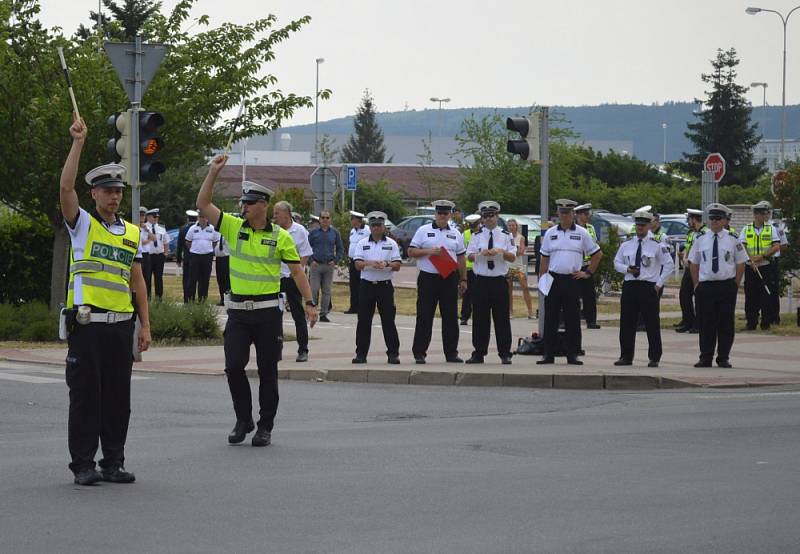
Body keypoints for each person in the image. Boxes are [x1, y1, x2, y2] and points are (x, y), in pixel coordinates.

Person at [197, 156, 317, 447]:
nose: (244, 207)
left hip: (267, 314)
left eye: (249, 203)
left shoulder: (281, 237)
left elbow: (298, 272)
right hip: (238, 313)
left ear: (264, 206)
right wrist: (213, 172)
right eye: (243, 203)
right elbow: (203, 204)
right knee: (234, 366)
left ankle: (265, 426)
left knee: (267, 371)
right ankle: (244, 419)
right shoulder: (232, 228)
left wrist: (310, 302)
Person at [59, 116, 151, 485]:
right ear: (94, 194)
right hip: (86, 325)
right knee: (85, 398)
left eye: (118, 191)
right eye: (107, 191)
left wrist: (145, 324)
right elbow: (66, 187)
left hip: (120, 327)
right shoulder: (81, 223)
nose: (114, 196)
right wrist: (78, 144)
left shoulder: (132, 232)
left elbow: (137, 279)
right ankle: (83, 465)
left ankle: (112, 462)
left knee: (117, 399)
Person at [537, 199, 602, 365]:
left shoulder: (582, 233)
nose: (564, 216)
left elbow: (597, 254)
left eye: (568, 213)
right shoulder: (551, 233)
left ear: (573, 214)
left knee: (572, 318)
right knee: (550, 318)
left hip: (572, 279)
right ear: (558, 214)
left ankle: (572, 354)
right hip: (554, 279)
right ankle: (548, 354)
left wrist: (588, 272)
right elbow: (544, 258)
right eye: (562, 213)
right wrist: (542, 279)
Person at [408, 199, 468, 364]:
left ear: (450, 214)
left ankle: (451, 353)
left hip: (448, 278)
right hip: (428, 277)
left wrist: (463, 278)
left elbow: (461, 257)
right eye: (439, 213)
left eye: (445, 213)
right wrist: (428, 251)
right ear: (435, 214)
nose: (442, 216)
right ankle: (419, 352)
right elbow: (411, 251)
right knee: (424, 315)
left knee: (450, 316)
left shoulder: (455, 233)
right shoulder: (423, 230)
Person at [613, 210, 674, 367]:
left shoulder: (657, 245)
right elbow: (616, 262)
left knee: (651, 323)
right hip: (630, 285)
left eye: (643, 225)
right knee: (627, 322)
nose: (640, 228)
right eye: (638, 225)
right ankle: (626, 356)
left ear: (649, 226)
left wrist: (659, 284)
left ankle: (654, 357)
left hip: (648, 287)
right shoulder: (627, 244)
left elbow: (669, 265)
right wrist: (627, 269)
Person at [690, 203, 747, 368]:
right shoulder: (700, 239)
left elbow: (741, 262)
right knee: (706, 323)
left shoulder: (732, 239)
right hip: (706, 286)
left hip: (726, 286)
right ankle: (705, 357)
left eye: (718, 219)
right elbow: (693, 262)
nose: (714, 221)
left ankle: (723, 357)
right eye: (712, 218)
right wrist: (696, 284)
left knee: (725, 323)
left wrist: (735, 284)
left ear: (725, 221)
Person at [466, 201, 517, 364]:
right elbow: (469, 255)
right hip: (481, 280)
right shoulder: (476, 235)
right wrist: (480, 254)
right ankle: (479, 353)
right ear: (482, 218)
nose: (488, 219)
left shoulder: (506, 235)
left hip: (498, 280)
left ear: (497, 216)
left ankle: (505, 353)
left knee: (501, 318)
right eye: (485, 216)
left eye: (491, 216)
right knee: (480, 318)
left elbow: (513, 256)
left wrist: (500, 251)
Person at [351, 211, 402, 364]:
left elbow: (398, 265)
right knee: (364, 321)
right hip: (367, 285)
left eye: (379, 225)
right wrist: (370, 263)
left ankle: (393, 354)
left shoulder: (391, 244)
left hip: (384, 286)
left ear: (383, 226)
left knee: (388, 321)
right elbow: (357, 264)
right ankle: (361, 354)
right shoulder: (362, 243)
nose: (376, 228)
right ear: (370, 226)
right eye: (373, 225)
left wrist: (386, 264)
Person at [274, 200, 313, 362]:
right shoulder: (273, 231)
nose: (274, 216)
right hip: (276, 278)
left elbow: (305, 253)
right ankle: (276, 349)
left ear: (287, 214)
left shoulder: (300, 230)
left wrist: (298, 270)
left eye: (277, 213)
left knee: (298, 314)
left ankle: (303, 349)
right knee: (275, 315)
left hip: (293, 278)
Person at [740, 201, 780, 330]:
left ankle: (766, 323)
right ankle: (751, 322)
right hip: (751, 267)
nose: (765, 216)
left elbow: (776, 246)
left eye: (766, 213)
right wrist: (751, 260)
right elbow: (742, 245)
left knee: (766, 295)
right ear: (756, 215)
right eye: (762, 214)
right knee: (751, 295)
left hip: (765, 266)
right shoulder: (747, 228)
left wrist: (761, 257)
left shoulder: (771, 228)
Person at [308, 209, 345, 322]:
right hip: (316, 265)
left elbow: (340, 248)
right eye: (323, 218)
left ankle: (323, 314)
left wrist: (335, 260)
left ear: (330, 219)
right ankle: (312, 312)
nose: (325, 220)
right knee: (313, 290)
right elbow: (306, 248)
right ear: (319, 219)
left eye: (327, 218)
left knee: (327, 291)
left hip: (328, 266)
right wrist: (311, 261)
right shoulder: (313, 233)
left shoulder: (334, 233)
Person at [676, 208, 705, 333]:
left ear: (694, 219)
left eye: (689, 219)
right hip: (689, 268)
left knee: (699, 297)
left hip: (699, 269)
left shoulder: (705, 233)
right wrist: (684, 258)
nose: (688, 222)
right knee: (684, 295)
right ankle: (688, 321)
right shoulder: (691, 233)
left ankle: (699, 324)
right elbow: (687, 248)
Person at [574, 203, 600, 328]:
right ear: (578, 215)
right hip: (575, 266)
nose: (587, 217)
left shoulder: (591, 228)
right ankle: (569, 319)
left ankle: (591, 320)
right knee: (573, 295)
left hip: (587, 265)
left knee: (589, 295)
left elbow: (594, 245)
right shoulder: (573, 229)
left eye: (588, 214)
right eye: (585, 214)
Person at [185, 213, 219, 302]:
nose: (203, 219)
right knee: (192, 279)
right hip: (195, 256)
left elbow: (215, 242)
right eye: (201, 217)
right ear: (198, 218)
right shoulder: (192, 228)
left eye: (204, 217)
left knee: (204, 279)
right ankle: (190, 300)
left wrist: (207, 249)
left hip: (207, 256)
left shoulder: (212, 229)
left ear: (207, 218)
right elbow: (188, 242)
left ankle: (202, 300)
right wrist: (195, 249)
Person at [505, 218, 534, 319]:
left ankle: (530, 312)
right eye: (510, 225)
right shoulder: (505, 237)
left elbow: (521, 252)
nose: (512, 227)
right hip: (508, 267)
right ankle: (510, 312)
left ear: (516, 226)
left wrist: (511, 252)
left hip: (518, 267)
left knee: (525, 287)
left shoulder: (521, 237)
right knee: (509, 290)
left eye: (513, 225)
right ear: (507, 227)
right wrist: (511, 252)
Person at [345, 211, 369, 314]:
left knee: (361, 284)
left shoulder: (367, 230)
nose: (351, 221)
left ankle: (362, 307)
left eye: (352, 219)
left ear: (358, 220)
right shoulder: (352, 231)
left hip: (362, 261)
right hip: (352, 260)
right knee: (353, 284)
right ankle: (353, 306)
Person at [460, 213, 481, 325]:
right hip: (468, 269)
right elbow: (461, 252)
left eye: (475, 224)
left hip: (479, 269)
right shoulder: (465, 234)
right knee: (467, 294)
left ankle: (478, 317)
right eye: (471, 225)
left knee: (478, 294)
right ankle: (464, 316)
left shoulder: (483, 234)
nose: (473, 227)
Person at [144, 208, 168, 301]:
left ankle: (159, 298)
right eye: (154, 217)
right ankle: (147, 298)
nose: (156, 219)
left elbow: (166, 241)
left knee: (159, 278)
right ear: (149, 217)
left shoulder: (161, 228)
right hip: (148, 256)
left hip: (159, 256)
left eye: (157, 217)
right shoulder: (144, 227)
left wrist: (165, 253)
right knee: (147, 278)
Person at [177, 209, 198, 303]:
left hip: (187, 257)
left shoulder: (183, 229)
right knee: (195, 278)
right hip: (197, 257)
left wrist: (178, 259)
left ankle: (186, 298)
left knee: (186, 279)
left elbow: (179, 245)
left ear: (187, 219)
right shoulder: (198, 228)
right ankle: (193, 298)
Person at [214, 228, 230, 306]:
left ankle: (228, 299)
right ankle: (222, 299)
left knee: (227, 279)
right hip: (218, 258)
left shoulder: (229, 233)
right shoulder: (217, 233)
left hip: (227, 258)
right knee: (220, 279)